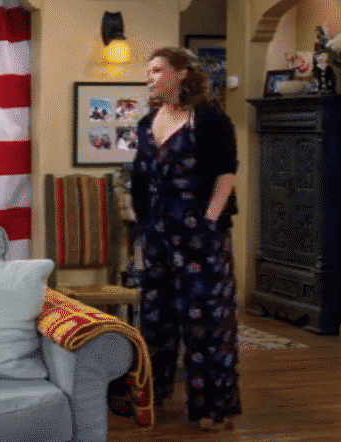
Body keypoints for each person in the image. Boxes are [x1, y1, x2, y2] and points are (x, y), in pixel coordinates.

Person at [130, 46, 241, 431]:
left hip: (202, 240)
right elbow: (141, 180)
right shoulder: (147, 123)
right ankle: (152, 395)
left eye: (157, 69)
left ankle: (213, 408)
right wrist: (143, 226)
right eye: (148, 71)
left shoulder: (210, 120)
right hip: (158, 238)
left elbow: (226, 174)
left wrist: (209, 221)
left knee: (206, 325)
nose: (150, 77)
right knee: (156, 320)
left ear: (181, 74)